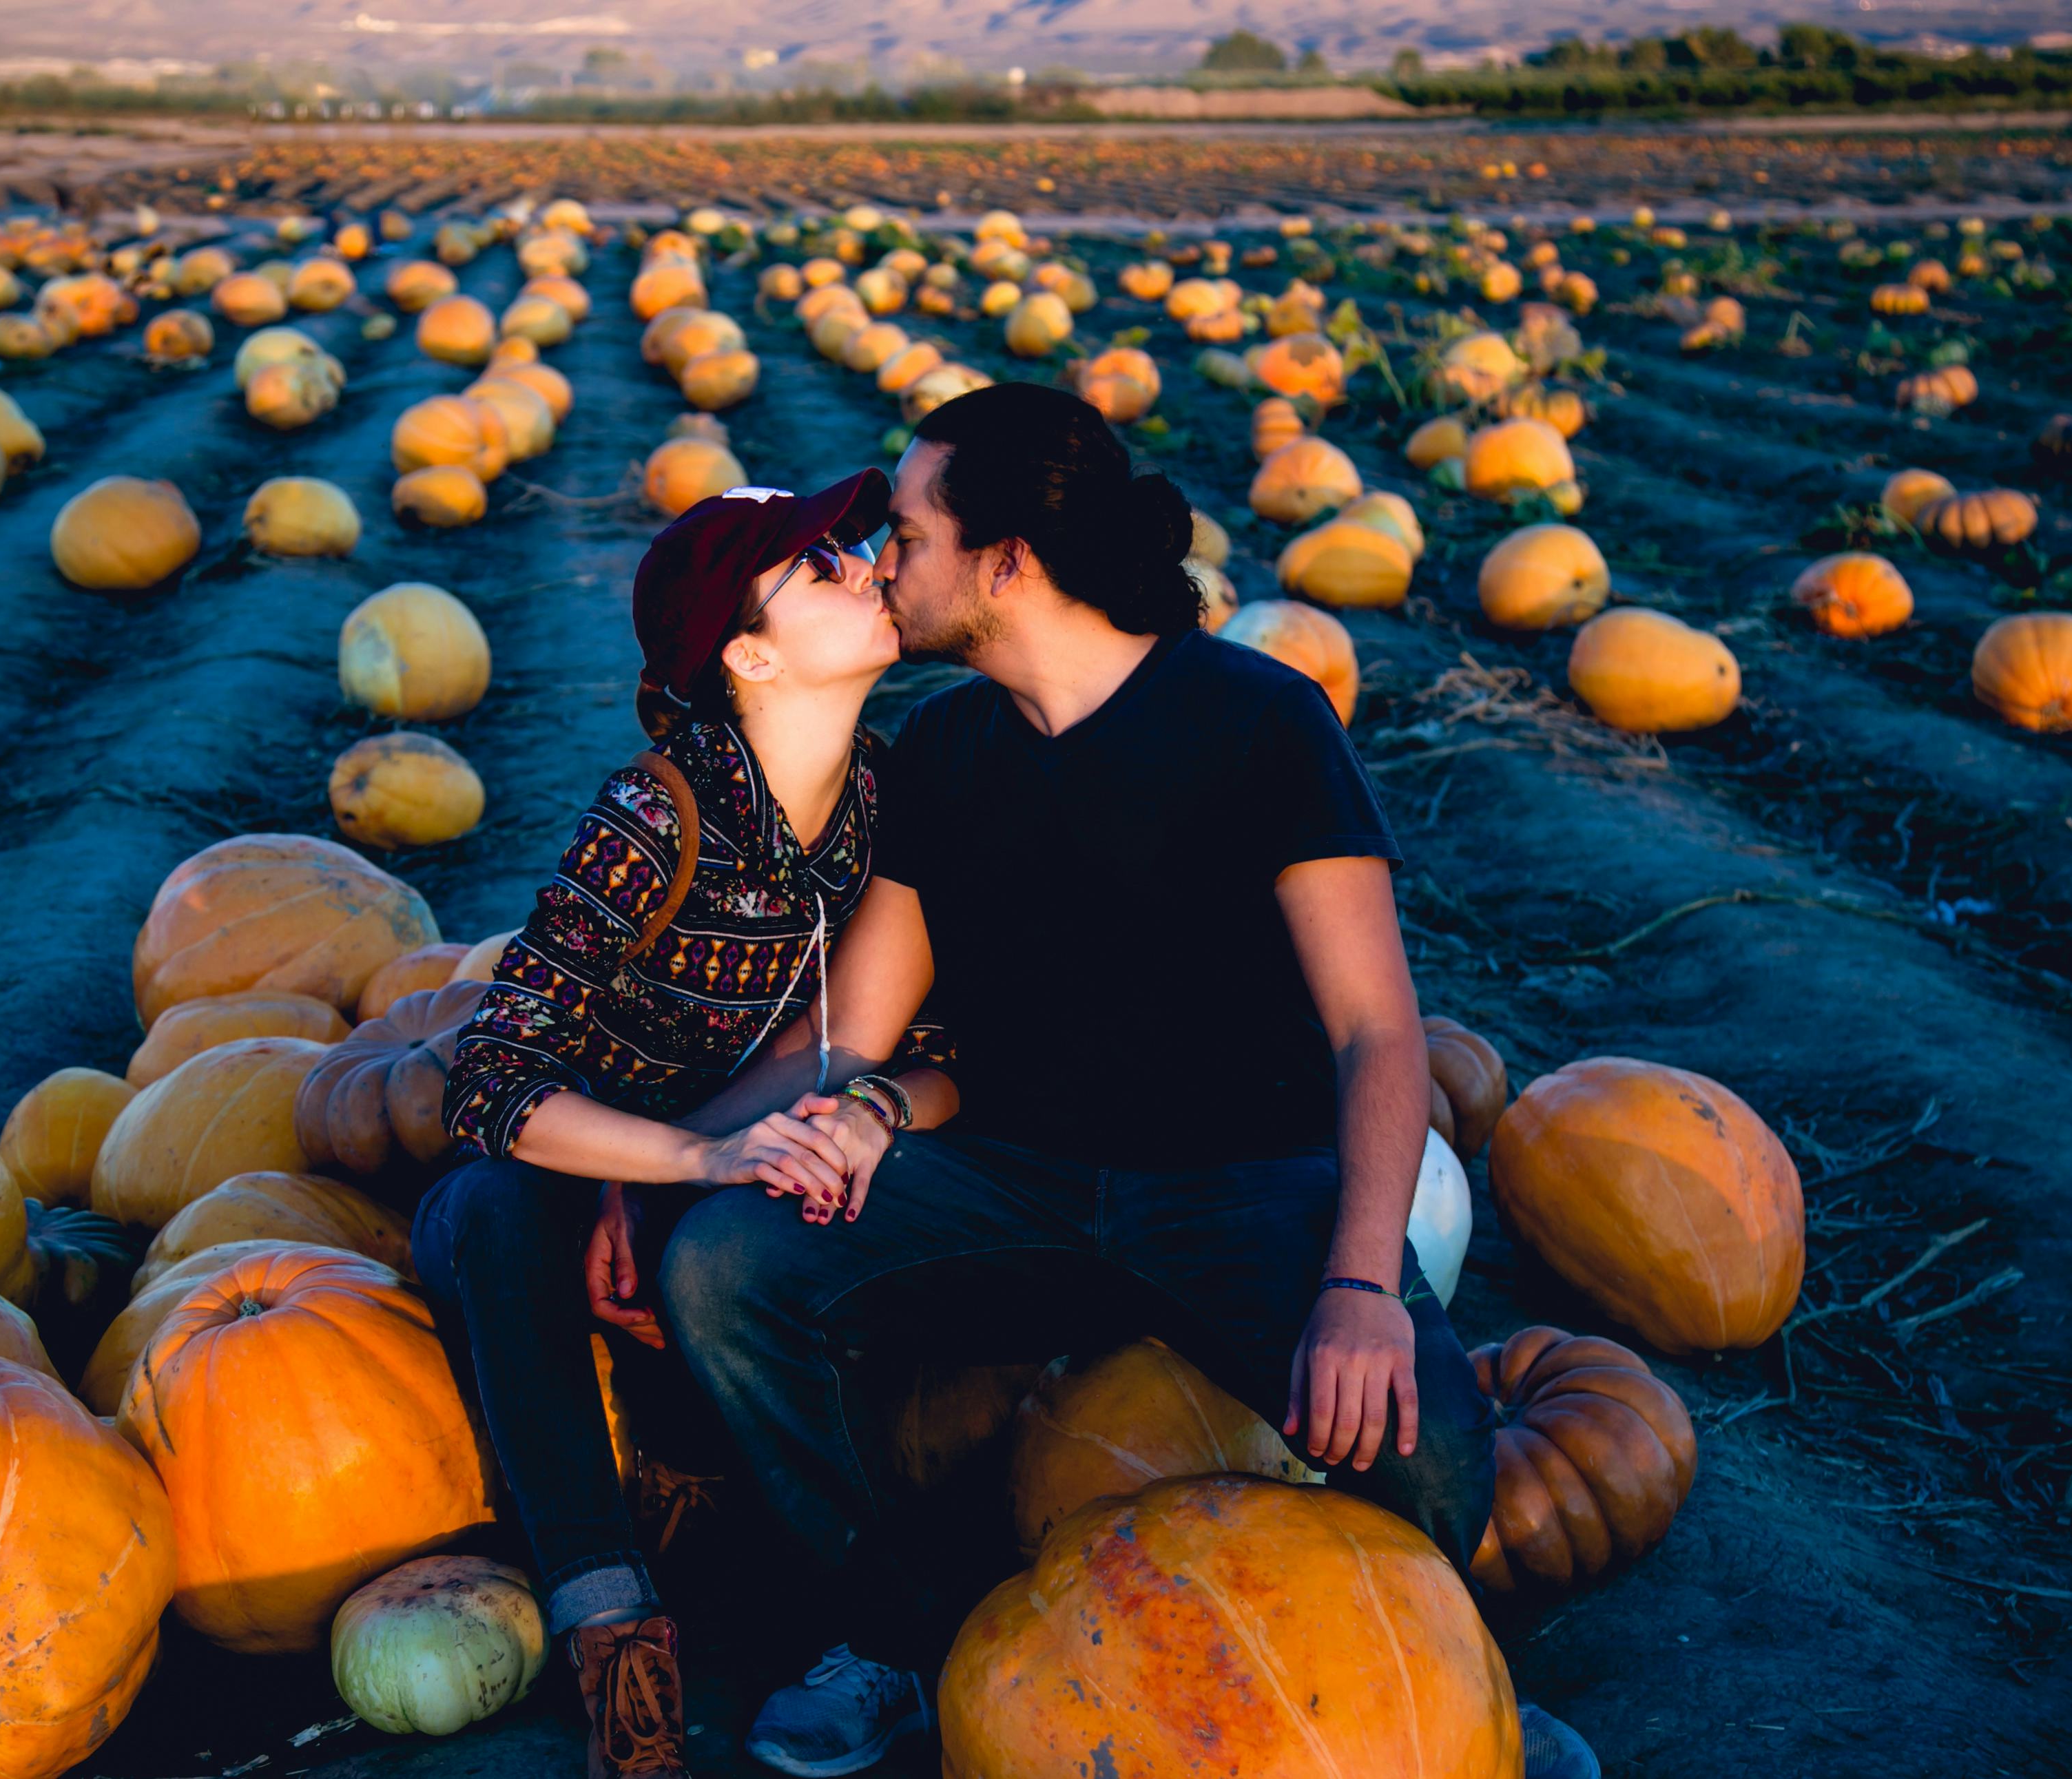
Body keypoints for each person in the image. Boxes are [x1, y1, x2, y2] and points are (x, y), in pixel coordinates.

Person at [645, 385, 1600, 1779]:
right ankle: (895, 1634)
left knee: (1432, 1443)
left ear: (1006, 559)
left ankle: (1446, 1674)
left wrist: (1353, 1288)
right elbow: (849, 1036)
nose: (881, 561)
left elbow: (1376, 1036)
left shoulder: (1254, 719)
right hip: (1012, 1180)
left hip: (1242, 1184)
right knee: (723, 1267)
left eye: (906, 532)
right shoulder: (948, 757)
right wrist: (657, 1165)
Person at [419, 469, 960, 1779]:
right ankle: (615, 1643)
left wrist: (866, 1112)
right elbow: (490, 1079)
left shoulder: (900, 804)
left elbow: (947, 1054)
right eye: (817, 566)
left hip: (729, 1187)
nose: (862, 564)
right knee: (487, 1215)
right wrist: (676, 1160)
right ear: (749, 655)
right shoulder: (655, 815)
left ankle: (772, 1567)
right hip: (578, 1172)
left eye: (850, 545)